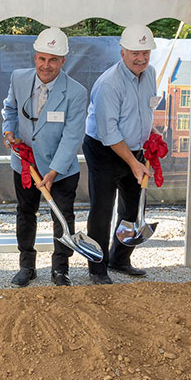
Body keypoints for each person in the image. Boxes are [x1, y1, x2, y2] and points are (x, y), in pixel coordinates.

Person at [2, 28, 88, 287]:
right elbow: (10, 108)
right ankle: (26, 266)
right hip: (25, 165)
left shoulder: (76, 92)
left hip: (60, 168)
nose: (46, 65)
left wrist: (53, 172)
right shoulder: (18, 78)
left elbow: (72, 137)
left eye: (53, 60)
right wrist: (9, 130)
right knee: (25, 213)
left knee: (63, 216)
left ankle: (61, 268)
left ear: (63, 61)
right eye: (42, 58)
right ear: (35, 57)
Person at [83, 24, 159, 285]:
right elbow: (109, 132)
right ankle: (97, 266)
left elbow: (144, 111)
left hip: (135, 148)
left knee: (134, 205)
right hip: (103, 150)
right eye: (135, 53)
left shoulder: (150, 75)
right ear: (122, 52)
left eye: (145, 53)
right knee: (102, 208)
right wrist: (133, 164)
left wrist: (151, 137)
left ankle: (119, 259)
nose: (141, 58)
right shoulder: (108, 84)